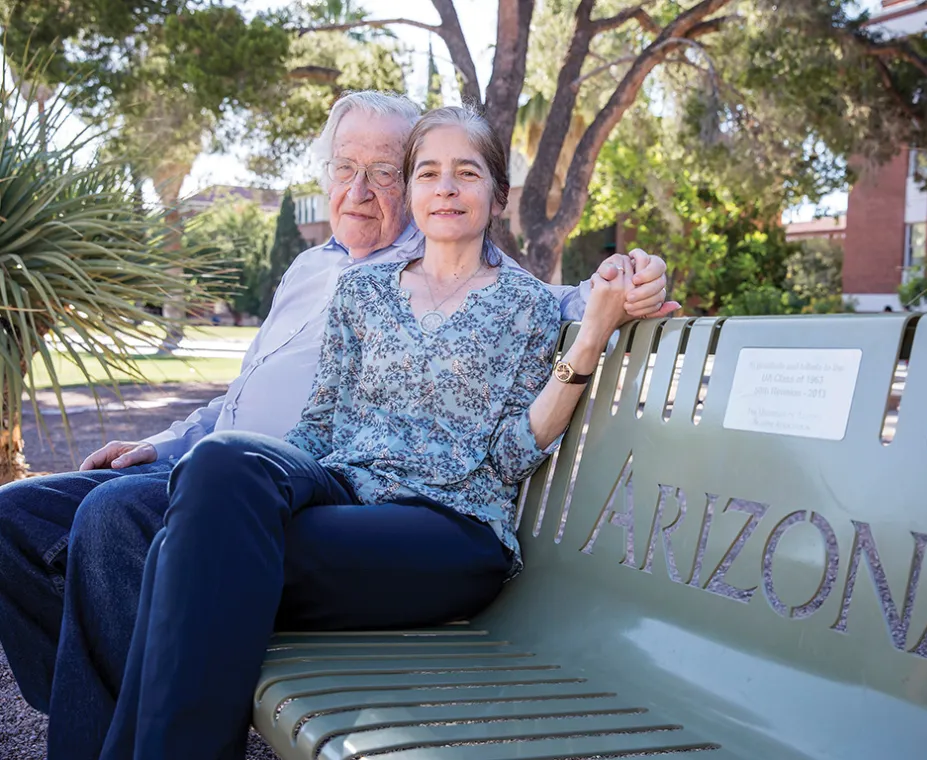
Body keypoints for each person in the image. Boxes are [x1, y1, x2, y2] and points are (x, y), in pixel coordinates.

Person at [0, 91, 677, 760]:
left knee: (165, 541)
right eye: (423, 173)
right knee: (198, 478)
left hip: (444, 519)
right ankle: (111, 698)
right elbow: (312, 423)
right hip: (330, 488)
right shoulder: (349, 286)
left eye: (391, 170)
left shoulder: (523, 303)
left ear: (498, 196)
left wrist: (616, 300)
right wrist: (226, 472)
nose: (369, 188)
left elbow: (535, 403)